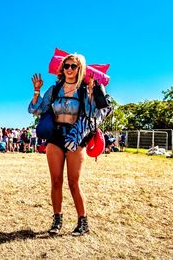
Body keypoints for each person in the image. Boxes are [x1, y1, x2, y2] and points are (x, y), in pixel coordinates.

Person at [28, 53, 112, 236]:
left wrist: (91, 93)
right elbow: (36, 110)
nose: (69, 69)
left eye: (73, 66)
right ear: (62, 68)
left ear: (80, 68)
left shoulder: (83, 89)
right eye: (66, 65)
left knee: (74, 182)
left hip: (76, 138)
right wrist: (36, 91)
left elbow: (93, 115)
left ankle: (83, 222)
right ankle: (57, 220)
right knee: (56, 181)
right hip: (56, 138)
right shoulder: (54, 89)